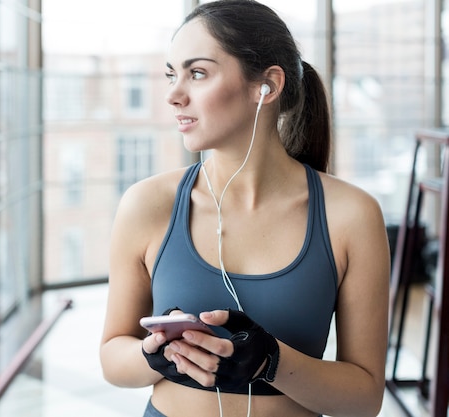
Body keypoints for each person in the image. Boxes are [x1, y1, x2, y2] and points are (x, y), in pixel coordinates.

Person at [99, 1, 390, 416]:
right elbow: (112, 356)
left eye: (196, 73)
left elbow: (364, 398)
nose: (173, 95)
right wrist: (155, 355)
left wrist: (272, 362)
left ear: (266, 86)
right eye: (171, 74)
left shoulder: (351, 215)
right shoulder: (147, 205)